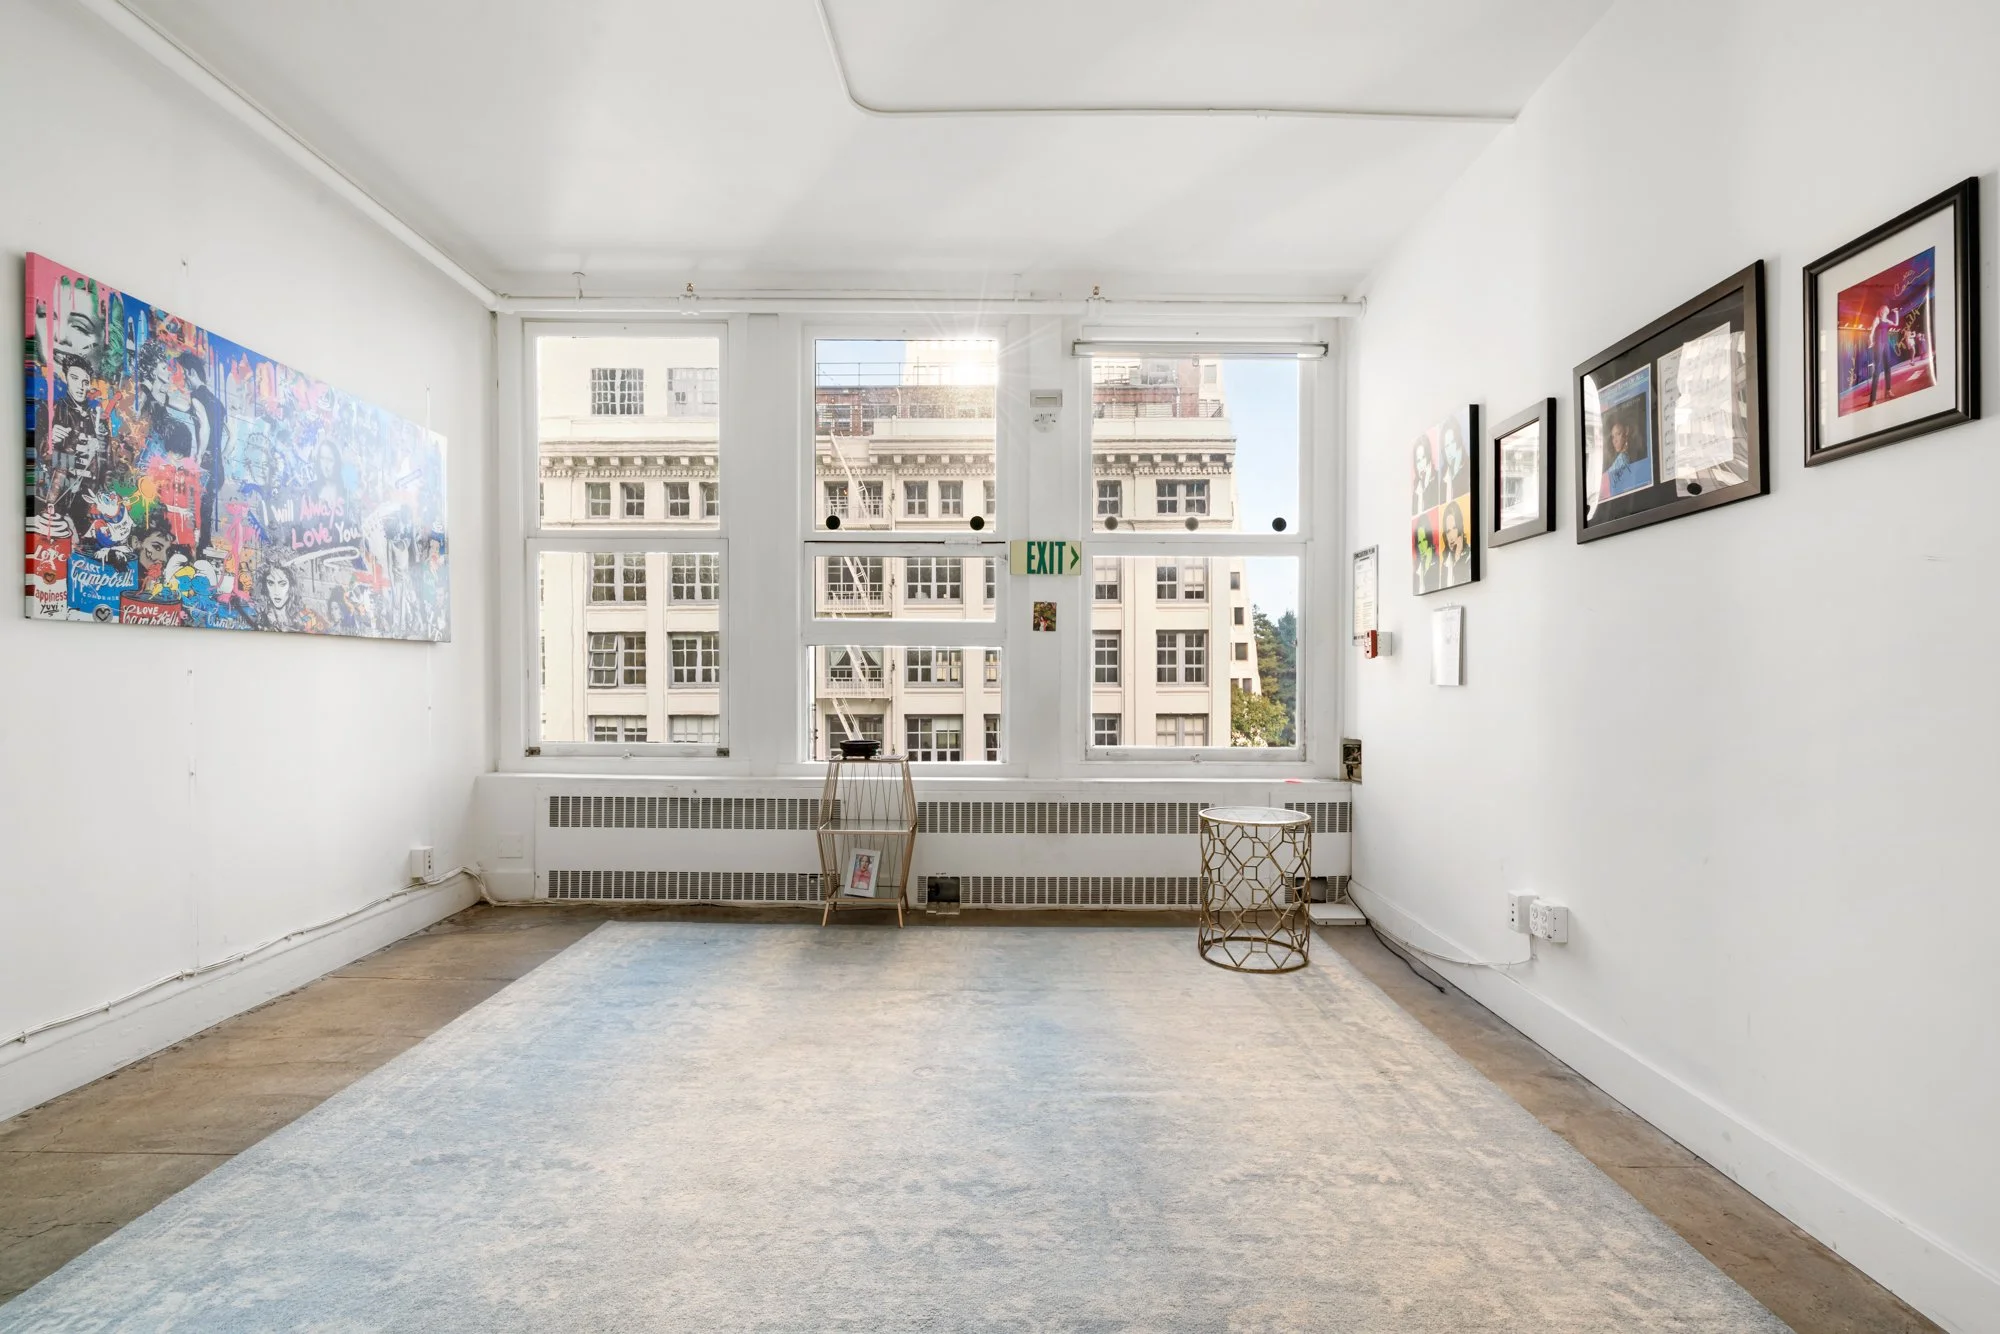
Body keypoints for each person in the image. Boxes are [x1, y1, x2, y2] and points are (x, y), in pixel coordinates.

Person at [1603, 417, 1652, 498]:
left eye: (1618, 434)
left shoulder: (1624, 459)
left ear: (1626, 431)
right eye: (1612, 437)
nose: (1615, 440)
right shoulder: (1621, 458)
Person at [1868, 304, 1899, 405]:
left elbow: (1896, 324)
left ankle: (1888, 391)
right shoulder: (1877, 319)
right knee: (1877, 370)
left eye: (1887, 310)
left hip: (1886, 344)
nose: (1886, 311)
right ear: (1882, 310)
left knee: (1888, 368)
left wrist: (1896, 313)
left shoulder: (1887, 320)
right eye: (1885, 310)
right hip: (1878, 344)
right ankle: (1872, 399)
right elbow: (1871, 332)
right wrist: (1871, 341)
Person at [1439, 503, 1472, 585]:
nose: (1451, 537)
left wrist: (1458, 557)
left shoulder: (1470, 556)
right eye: (1448, 531)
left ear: (1460, 529)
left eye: (1454, 528)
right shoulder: (1445, 562)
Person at [1439, 420, 1470, 500]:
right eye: (1446, 446)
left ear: (1459, 441)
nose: (1450, 451)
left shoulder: (1469, 467)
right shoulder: (1443, 477)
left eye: (1453, 442)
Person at [1411, 437, 1442, 515]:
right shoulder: (1416, 492)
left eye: (1423, 457)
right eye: (1418, 461)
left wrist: (1427, 485)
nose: (1421, 465)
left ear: (1429, 457)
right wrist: (1420, 495)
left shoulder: (1439, 479)